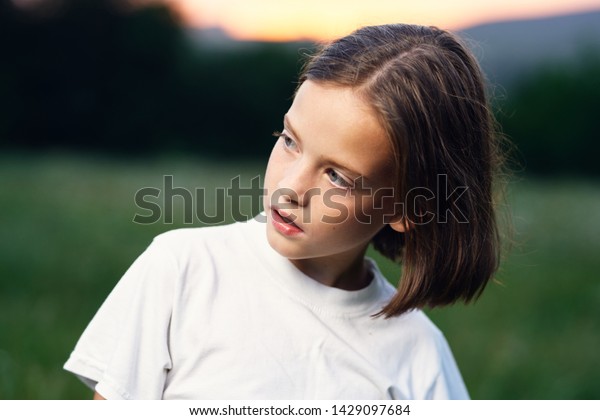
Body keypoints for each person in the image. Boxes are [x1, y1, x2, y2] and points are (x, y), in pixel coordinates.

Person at [64, 23, 504, 399]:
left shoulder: (420, 355)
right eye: (290, 141)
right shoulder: (181, 271)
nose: (290, 188)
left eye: (337, 177)